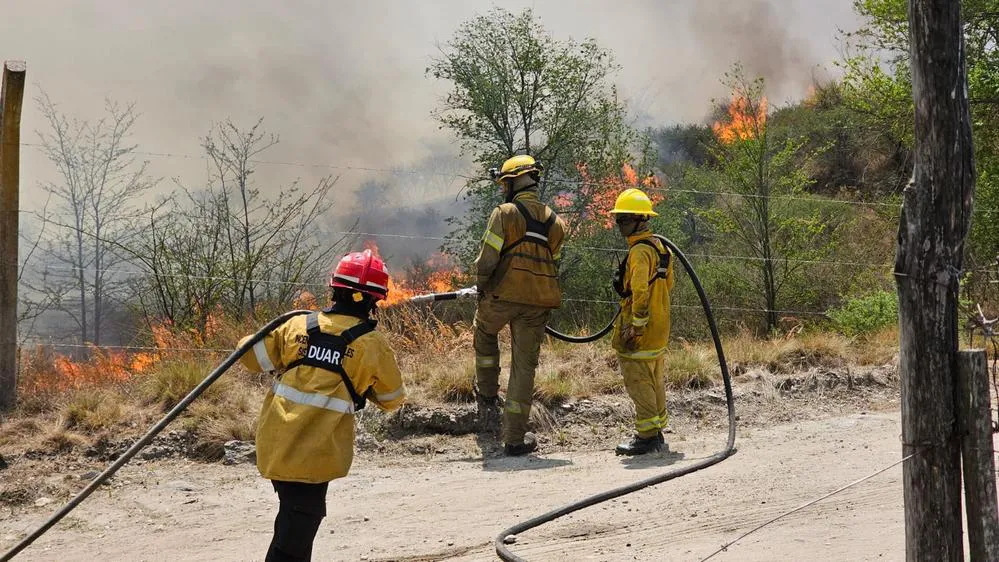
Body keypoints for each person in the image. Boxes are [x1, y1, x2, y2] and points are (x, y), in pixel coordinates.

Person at [239, 249, 406, 561]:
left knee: (294, 526)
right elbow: (391, 399)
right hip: (314, 457)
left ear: (335, 289)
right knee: (292, 541)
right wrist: (360, 382)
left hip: (276, 445)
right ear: (372, 301)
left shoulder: (297, 326)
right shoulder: (371, 344)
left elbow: (249, 356)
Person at [473, 154, 567, 456]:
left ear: (512, 183)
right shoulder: (556, 222)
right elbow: (550, 258)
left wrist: (482, 286)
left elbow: (487, 259)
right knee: (524, 369)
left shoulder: (505, 213)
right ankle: (514, 439)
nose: (503, 190)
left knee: (484, 332)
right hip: (538, 302)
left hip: (503, 296)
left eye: (505, 184)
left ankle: (487, 394)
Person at [609, 188, 675, 456]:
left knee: (638, 377)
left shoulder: (638, 252)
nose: (620, 225)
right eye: (619, 220)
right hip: (661, 324)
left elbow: (640, 292)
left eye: (624, 220)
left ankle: (647, 436)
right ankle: (657, 429)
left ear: (639, 219)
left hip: (642, 327)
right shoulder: (661, 247)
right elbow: (669, 285)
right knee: (654, 376)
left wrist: (636, 325)